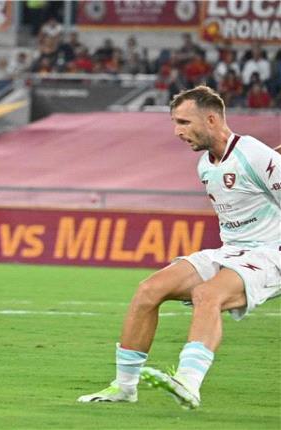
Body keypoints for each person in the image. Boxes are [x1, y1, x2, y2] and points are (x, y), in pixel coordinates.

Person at [78, 86, 281, 409]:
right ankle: (124, 388)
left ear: (211, 119)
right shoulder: (206, 164)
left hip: (270, 253)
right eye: (175, 123)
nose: (177, 131)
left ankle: (188, 381)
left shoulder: (254, 154)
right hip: (231, 251)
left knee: (207, 295)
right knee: (149, 290)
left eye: (184, 122)